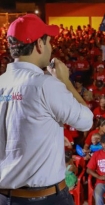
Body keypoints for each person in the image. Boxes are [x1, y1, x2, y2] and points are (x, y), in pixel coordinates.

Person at [0, 14, 93, 205]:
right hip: (44, 198)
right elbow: (86, 121)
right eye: (49, 41)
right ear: (39, 45)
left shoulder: (1, 82)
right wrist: (65, 82)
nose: (51, 48)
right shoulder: (44, 85)